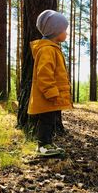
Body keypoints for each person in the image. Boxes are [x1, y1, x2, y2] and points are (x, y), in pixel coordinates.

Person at [27, 10, 73, 156]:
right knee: (46, 120)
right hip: (48, 96)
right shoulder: (47, 50)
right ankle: (43, 145)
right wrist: (51, 92)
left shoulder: (52, 48)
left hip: (52, 96)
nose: (66, 33)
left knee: (50, 120)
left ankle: (48, 143)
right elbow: (44, 73)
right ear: (55, 31)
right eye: (64, 30)